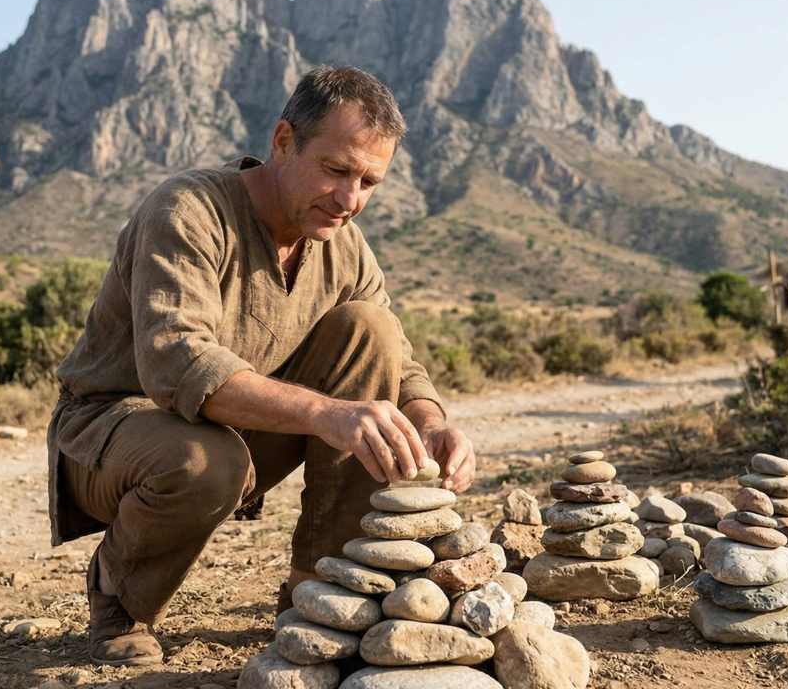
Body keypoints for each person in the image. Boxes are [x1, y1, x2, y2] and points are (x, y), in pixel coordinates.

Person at [47, 65, 476, 667]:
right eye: (335, 170)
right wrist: (329, 414)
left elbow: (398, 362)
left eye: (369, 182)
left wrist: (429, 421)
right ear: (282, 143)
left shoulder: (341, 243)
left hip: (237, 431)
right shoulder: (189, 208)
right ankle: (123, 601)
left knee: (370, 330)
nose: (350, 199)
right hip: (114, 431)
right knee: (205, 459)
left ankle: (319, 591)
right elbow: (175, 361)